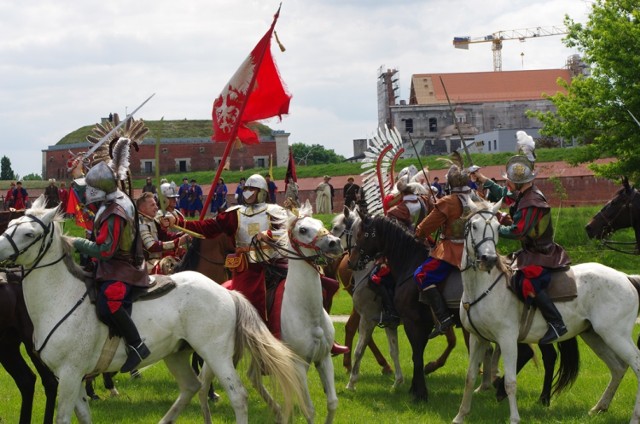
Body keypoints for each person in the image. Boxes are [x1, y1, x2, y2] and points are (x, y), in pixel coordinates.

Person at [161, 173, 348, 356]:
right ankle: (264, 343)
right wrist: (178, 221)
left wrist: (268, 235)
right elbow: (207, 228)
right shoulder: (234, 214)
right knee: (252, 302)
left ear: (262, 192)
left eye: (253, 189)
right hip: (249, 269)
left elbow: (289, 232)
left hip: (277, 262)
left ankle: (326, 338)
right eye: (247, 188)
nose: (248, 192)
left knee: (319, 285)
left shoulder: (275, 211)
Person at [475, 156, 571, 344]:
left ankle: (557, 322)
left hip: (542, 254)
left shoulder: (533, 201)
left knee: (527, 280)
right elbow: (504, 194)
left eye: (509, 180)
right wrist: (483, 180)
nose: (506, 183)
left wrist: (495, 228)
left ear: (519, 183)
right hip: (530, 252)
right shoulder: (524, 195)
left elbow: (519, 231)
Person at [70, 158, 152, 373]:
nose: (87, 192)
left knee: (109, 303)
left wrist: (78, 243)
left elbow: (106, 250)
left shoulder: (115, 212)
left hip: (121, 267)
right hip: (111, 265)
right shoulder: (112, 201)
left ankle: (137, 345)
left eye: (90, 188)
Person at [413, 164, 473, 339]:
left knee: (421, 274)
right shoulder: (476, 197)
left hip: (451, 252)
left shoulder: (447, 202)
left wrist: (420, 230)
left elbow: (424, 229)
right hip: (473, 249)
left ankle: (443, 317)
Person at [136, 192, 190, 274]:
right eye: (152, 205)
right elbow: (152, 246)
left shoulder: (151, 220)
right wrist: (178, 242)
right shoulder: (141, 222)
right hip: (146, 263)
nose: (156, 208)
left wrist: (182, 234)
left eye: (156, 204)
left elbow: (165, 236)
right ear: (143, 208)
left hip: (156, 259)